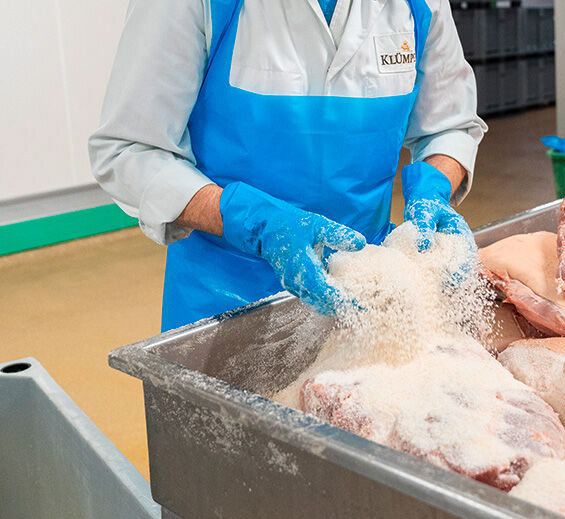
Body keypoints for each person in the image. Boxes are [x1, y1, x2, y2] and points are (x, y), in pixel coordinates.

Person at [89, 0, 487, 331]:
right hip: (223, 303)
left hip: (368, 297)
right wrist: (250, 220)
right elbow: (130, 150)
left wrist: (435, 188)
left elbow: (449, 125)